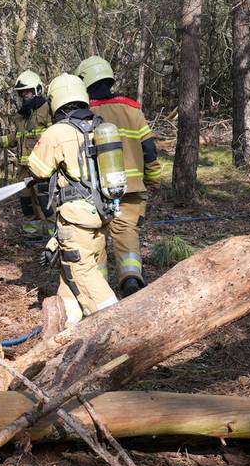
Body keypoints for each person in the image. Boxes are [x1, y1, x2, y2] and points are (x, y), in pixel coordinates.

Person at [27, 74, 118, 328]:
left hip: (76, 217)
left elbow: (37, 169)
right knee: (74, 273)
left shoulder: (59, 132)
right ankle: (67, 328)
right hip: (101, 214)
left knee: (83, 273)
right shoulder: (99, 126)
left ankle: (115, 328)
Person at [74, 55, 162, 296]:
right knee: (126, 231)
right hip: (131, 188)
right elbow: (149, 147)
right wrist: (153, 178)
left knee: (96, 235)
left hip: (94, 190)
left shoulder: (84, 113)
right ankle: (131, 277)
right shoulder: (131, 108)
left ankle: (98, 288)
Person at [10, 70, 51, 238]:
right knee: (26, 202)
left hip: (42, 168)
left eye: (27, 91)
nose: (24, 95)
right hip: (24, 169)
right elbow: (16, 138)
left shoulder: (47, 109)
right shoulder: (21, 116)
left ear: (36, 90)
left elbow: (55, 135)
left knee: (46, 202)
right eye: (22, 92)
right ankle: (32, 234)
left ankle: (53, 235)